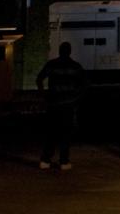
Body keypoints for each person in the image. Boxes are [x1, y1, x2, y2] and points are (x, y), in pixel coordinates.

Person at [37, 40, 86, 170]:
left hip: (53, 104)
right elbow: (83, 85)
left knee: (51, 133)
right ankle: (63, 161)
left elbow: (39, 79)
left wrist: (43, 95)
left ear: (59, 51)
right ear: (69, 52)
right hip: (68, 106)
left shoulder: (52, 64)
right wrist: (75, 98)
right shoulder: (76, 67)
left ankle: (45, 160)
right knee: (66, 134)